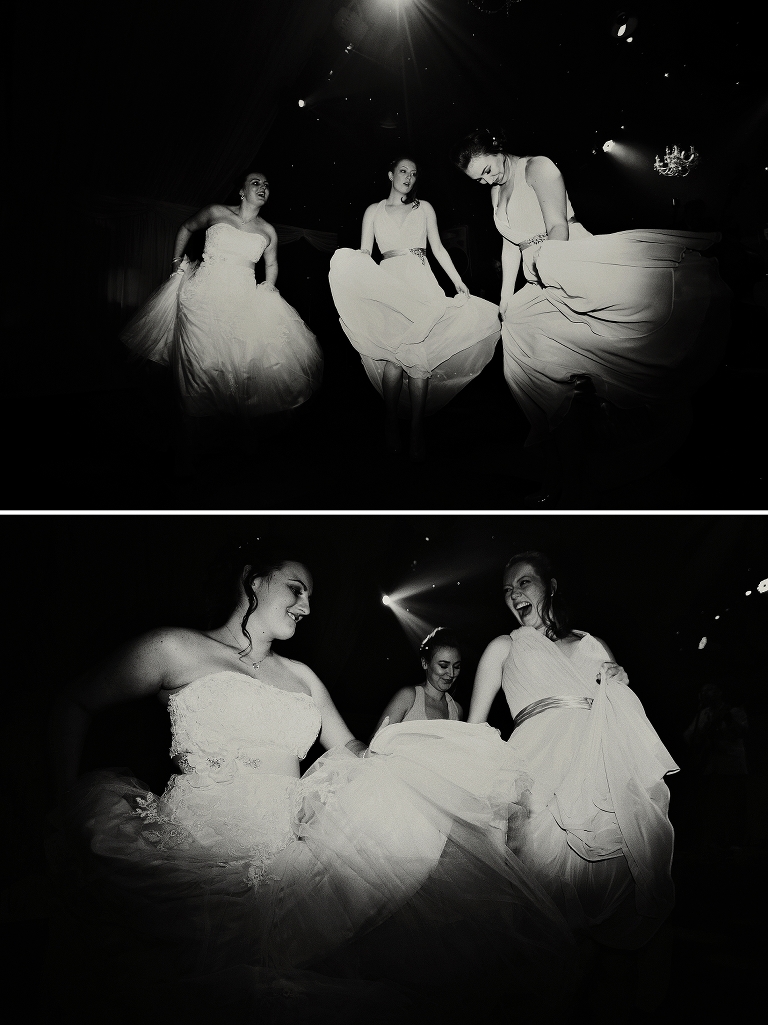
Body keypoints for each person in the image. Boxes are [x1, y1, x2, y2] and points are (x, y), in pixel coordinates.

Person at [47, 542, 574, 1022]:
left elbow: (356, 751)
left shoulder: (302, 679)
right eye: (295, 590)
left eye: (309, 598)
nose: (304, 606)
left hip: (282, 868)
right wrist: (59, 801)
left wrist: (447, 771)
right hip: (194, 858)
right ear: (255, 580)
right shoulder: (174, 649)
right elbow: (75, 702)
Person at [452, 130, 729, 496]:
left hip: (571, 264)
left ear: (497, 149)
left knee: (605, 354)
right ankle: (569, 463)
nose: (486, 180)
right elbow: (510, 248)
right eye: (479, 179)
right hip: (537, 277)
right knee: (526, 354)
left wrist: (546, 274)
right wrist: (505, 301)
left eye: (486, 170)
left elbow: (557, 228)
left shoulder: (538, 167)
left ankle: (584, 462)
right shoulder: (493, 192)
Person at [468, 550, 679, 953]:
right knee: (536, 898)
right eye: (507, 590)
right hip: (537, 775)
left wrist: (618, 680)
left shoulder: (592, 643)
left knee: (604, 897)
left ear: (550, 587)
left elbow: (623, 714)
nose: (514, 595)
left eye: (523, 583)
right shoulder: (504, 646)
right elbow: (475, 728)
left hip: (597, 776)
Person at [329, 157, 500, 460]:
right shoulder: (374, 210)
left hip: (420, 281)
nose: (408, 177)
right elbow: (367, 251)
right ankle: (392, 420)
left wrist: (458, 281)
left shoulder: (425, 208)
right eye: (403, 171)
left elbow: (438, 248)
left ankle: (418, 429)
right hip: (388, 282)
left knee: (417, 356)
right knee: (394, 358)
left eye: (414, 173)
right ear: (390, 174)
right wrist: (355, 268)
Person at [119, 171, 323, 419]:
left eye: (266, 185)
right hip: (202, 296)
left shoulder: (268, 230)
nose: (262, 187)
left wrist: (268, 289)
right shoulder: (216, 211)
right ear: (241, 191)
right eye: (255, 183)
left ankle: (223, 423)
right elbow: (186, 227)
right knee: (200, 361)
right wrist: (176, 265)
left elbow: (271, 264)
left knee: (236, 364)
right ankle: (191, 419)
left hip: (242, 300)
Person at [372, 627, 463, 735]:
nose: (451, 674)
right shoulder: (408, 697)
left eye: (456, 667)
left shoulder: (457, 710)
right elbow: (375, 745)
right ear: (424, 663)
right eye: (443, 666)